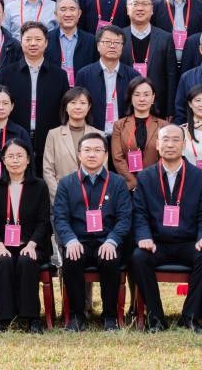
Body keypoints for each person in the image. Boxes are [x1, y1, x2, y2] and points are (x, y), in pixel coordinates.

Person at [131, 125, 202, 333]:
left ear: (184, 144)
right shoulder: (145, 177)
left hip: (189, 242)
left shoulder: (199, 177)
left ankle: (190, 317)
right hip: (157, 243)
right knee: (138, 257)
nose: (170, 144)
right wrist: (144, 237)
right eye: (165, 140)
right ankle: (156, 319)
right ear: (157, 145)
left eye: (175, 140)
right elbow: (139, 213)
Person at [52, 132, 132, 332]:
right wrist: (70, 240)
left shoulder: (117, 183)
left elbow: (124, 218)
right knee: (72, 259)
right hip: (78, 241)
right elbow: (60, 217)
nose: (92, 154)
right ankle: (77, 316)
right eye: (87, 150)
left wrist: (112, 241)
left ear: (105, 155)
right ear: (79, 154)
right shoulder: (66, 183)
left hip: (107, 240)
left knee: (110, 259)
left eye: (97, 150)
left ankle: (110, 316)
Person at [0, 139, 51, 333]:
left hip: (31, 244)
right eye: (10, 156)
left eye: (19, 156)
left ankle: (32, 318)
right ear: (3, 160)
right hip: (1, 245)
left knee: (26, 260)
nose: (15, 160)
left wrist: (31, 244)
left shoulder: (39, 186)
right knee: (3, 261)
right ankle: (4, 318)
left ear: (28, 159)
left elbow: (43, 221)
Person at [0, 22, 70, 171]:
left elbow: (64, 110)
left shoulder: (59, 75)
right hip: (15, 138)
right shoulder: (7, 73)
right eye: (28, 39)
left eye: (38, 39)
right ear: (21, 42)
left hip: (49, 139)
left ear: (46, 43)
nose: (33, 43)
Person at [121, 0, 179, 116]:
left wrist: (170, 111)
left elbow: (171, 76)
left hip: (158, 107)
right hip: (124, 106)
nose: (140, 8)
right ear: (127, 9)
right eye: (135, 4)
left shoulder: (165, 38)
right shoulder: (119, 38)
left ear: (152, 9)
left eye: (145, 4)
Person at [74, 25, 140, 131]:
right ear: (98, 46)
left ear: (122, 47)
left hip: (124, 133)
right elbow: (78, 106)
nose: (112, 46)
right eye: (107, 42)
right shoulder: (84, 74)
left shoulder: (133, 75)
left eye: (117, 42)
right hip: (93, 132)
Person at [42, 87, 102, 200]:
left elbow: (102, 170)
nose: (78, 107)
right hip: (62, 197)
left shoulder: (99, 135)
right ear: (65, 106)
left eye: (82, 103)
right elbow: (48, 170)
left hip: (92, 199)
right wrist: (60, 198)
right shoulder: (54, 135)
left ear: (89, 107)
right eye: (73, 102)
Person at [110, 78, 162, 190]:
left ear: (153, 98)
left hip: (155, 184)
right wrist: (133, 182)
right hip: (128, 185)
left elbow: (165, 156)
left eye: (146, 94)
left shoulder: (164, 126)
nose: (142, 99)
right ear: (131, 97)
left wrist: (151, 180)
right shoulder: (119, 125)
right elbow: (117, 158)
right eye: (137, 94)